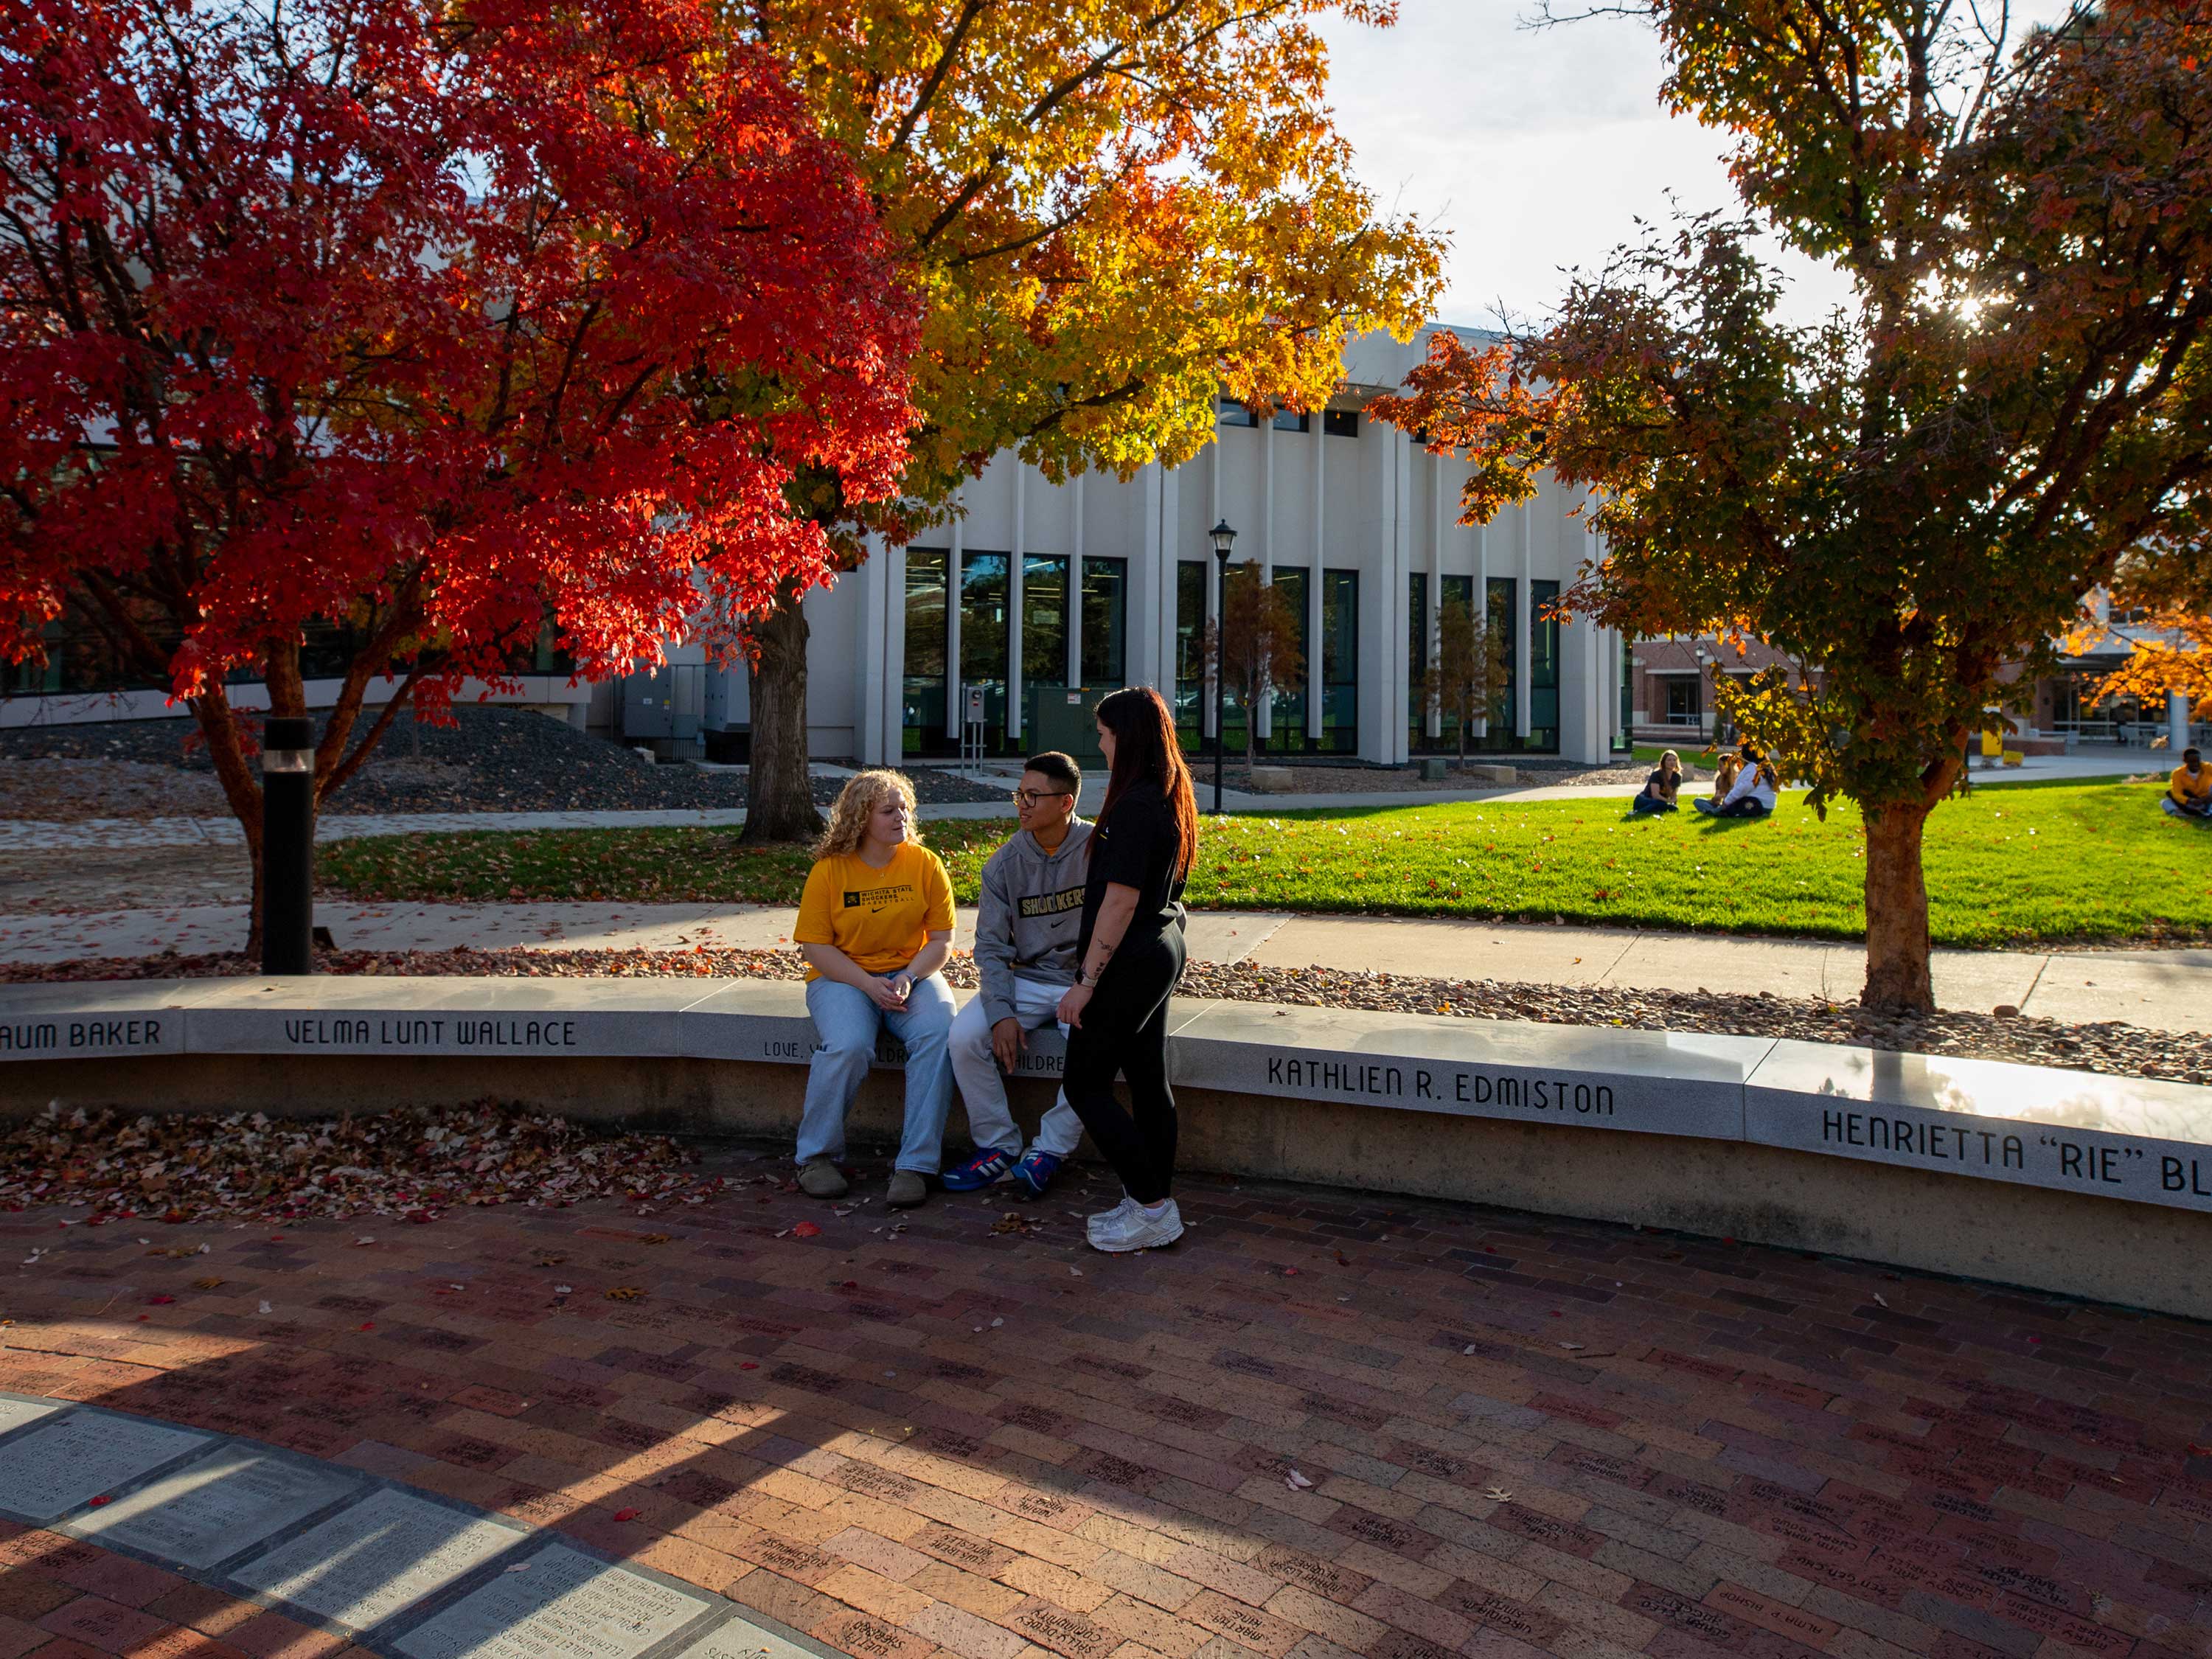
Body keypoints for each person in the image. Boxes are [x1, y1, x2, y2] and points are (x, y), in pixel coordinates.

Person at [1058, 686, 1197, 1253]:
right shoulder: (1166, 796)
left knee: (1084, 1083)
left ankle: (1154, 1207)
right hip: (1159, 947)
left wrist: (1085, 984)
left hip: (1129, 959)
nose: (1099, 744)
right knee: (1144, 1079)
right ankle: (1149, 1200)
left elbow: (1118, 902)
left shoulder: (1137, 804)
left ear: (1128, 738)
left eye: (1104, 734)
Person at [790, 771, 956, 1208]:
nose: (901, 816)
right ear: (861, 819)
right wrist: (868, 984)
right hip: (842, 978)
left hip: (910, 974)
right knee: (848, 1045)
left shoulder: (925, 864)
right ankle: (816, 1158)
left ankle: (916, 1165)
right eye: (888, 810)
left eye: (904, 807)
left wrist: (907, 978)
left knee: (940, 1034)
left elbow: (941, 941)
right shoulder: (830, 871)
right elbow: (815, 947)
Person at [941, 751, 1091, 1199]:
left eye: (1032, 795)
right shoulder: (1003, 864)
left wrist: (1088, 986)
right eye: (1018, 795)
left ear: (1065, 803)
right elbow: (990, 947)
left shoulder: (1099, 848)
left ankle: (1049, 1151)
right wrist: (1001, 1011)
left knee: (1095, 1050)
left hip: (1084, 982)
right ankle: (999, 1146)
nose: (1021, 804)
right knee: (964, 1038)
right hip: (1026, 978)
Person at [1696, 742, 1778, 818]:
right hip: (1767, 806)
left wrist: (1726, 802)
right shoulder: (1765, 767)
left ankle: (1717, 811)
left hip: (1757, 804)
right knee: (1700, 802)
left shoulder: (1752, 768)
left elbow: (1743, 789)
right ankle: (1718, 810)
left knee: (1732, 807)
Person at [1632, 750, 1683, 815]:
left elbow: (1674, 795)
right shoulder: (1656, 774)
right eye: (1669, 760)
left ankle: (1655, 810)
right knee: (1660, 803)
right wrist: (1668, 801)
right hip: (1644, 799)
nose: (1672, 762)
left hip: (1661, 802)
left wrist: (1673, 801)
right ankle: (1637, 813)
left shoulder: (1677, 776)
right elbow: (1655, 795)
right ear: (1663, 762)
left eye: (1674, 760)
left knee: (1674, 808)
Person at [2167, 747, 2212, 821]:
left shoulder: (2208, 767)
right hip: (2192, 800)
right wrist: (2190, 800)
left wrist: (2209, 796)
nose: (2196, 764)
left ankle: (2197, 812)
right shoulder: (2178, 773)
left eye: (2198, 761)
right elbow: (2177, 793)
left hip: (2208, 799)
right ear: (2185, 761)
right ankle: (2200, 813)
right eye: (2192, 761)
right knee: (2165, 802)